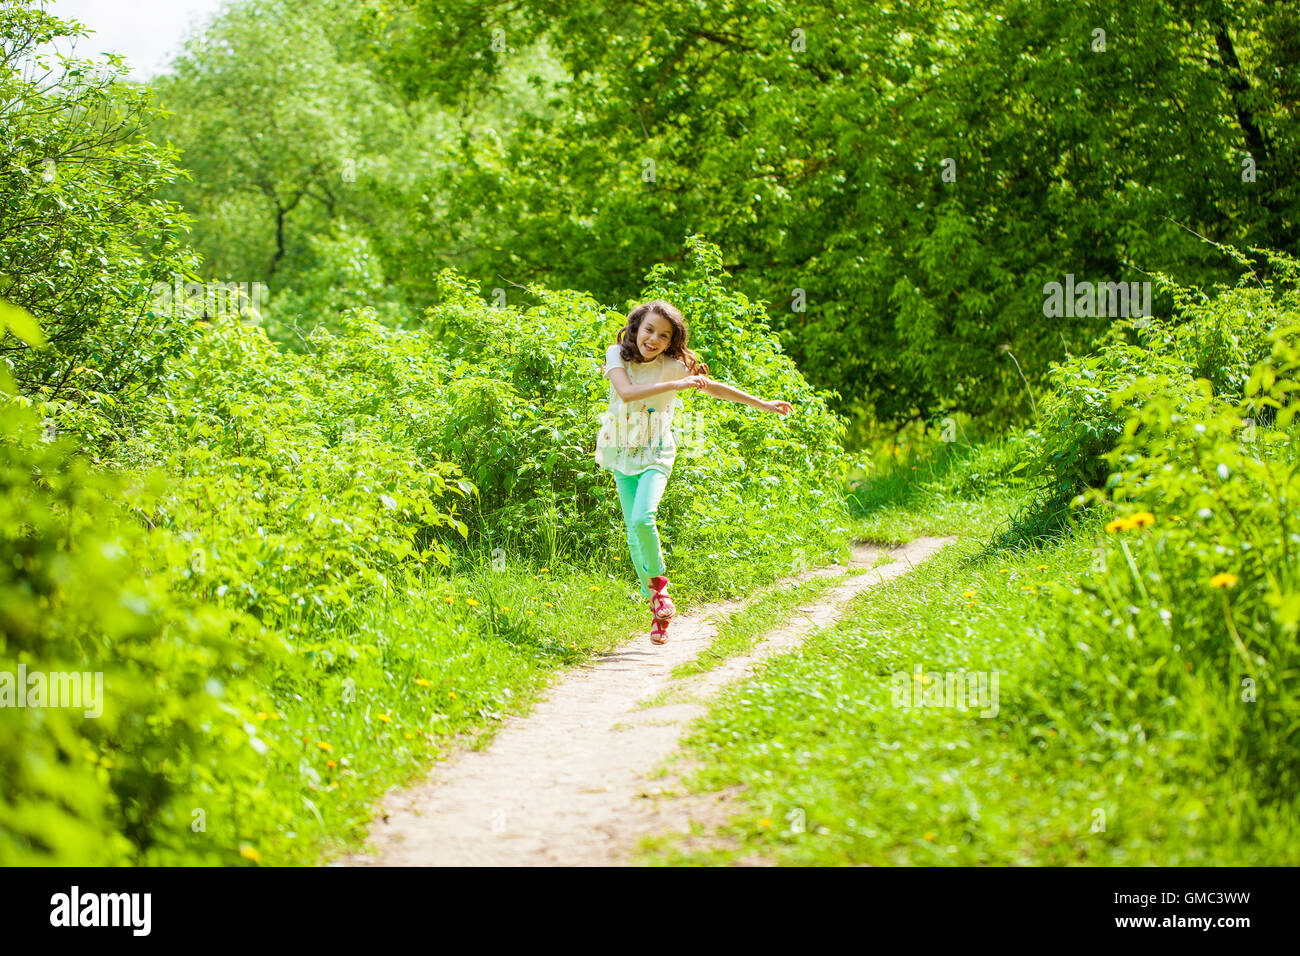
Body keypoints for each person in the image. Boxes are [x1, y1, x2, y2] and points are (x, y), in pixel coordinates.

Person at [595, 299, 794, 645]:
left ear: (672, 342)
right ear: (636, 329)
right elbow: (625, 393)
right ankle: (658, 605)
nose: (654, 339)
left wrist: (762, 403)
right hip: (620, 449)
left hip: (656, 451)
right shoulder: (618, 355)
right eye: (649, 330)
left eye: (664, 335)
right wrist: (676, 386)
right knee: (632, 534)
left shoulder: (674, 367)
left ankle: (659, 590)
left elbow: (713, 387)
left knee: (643, 519)